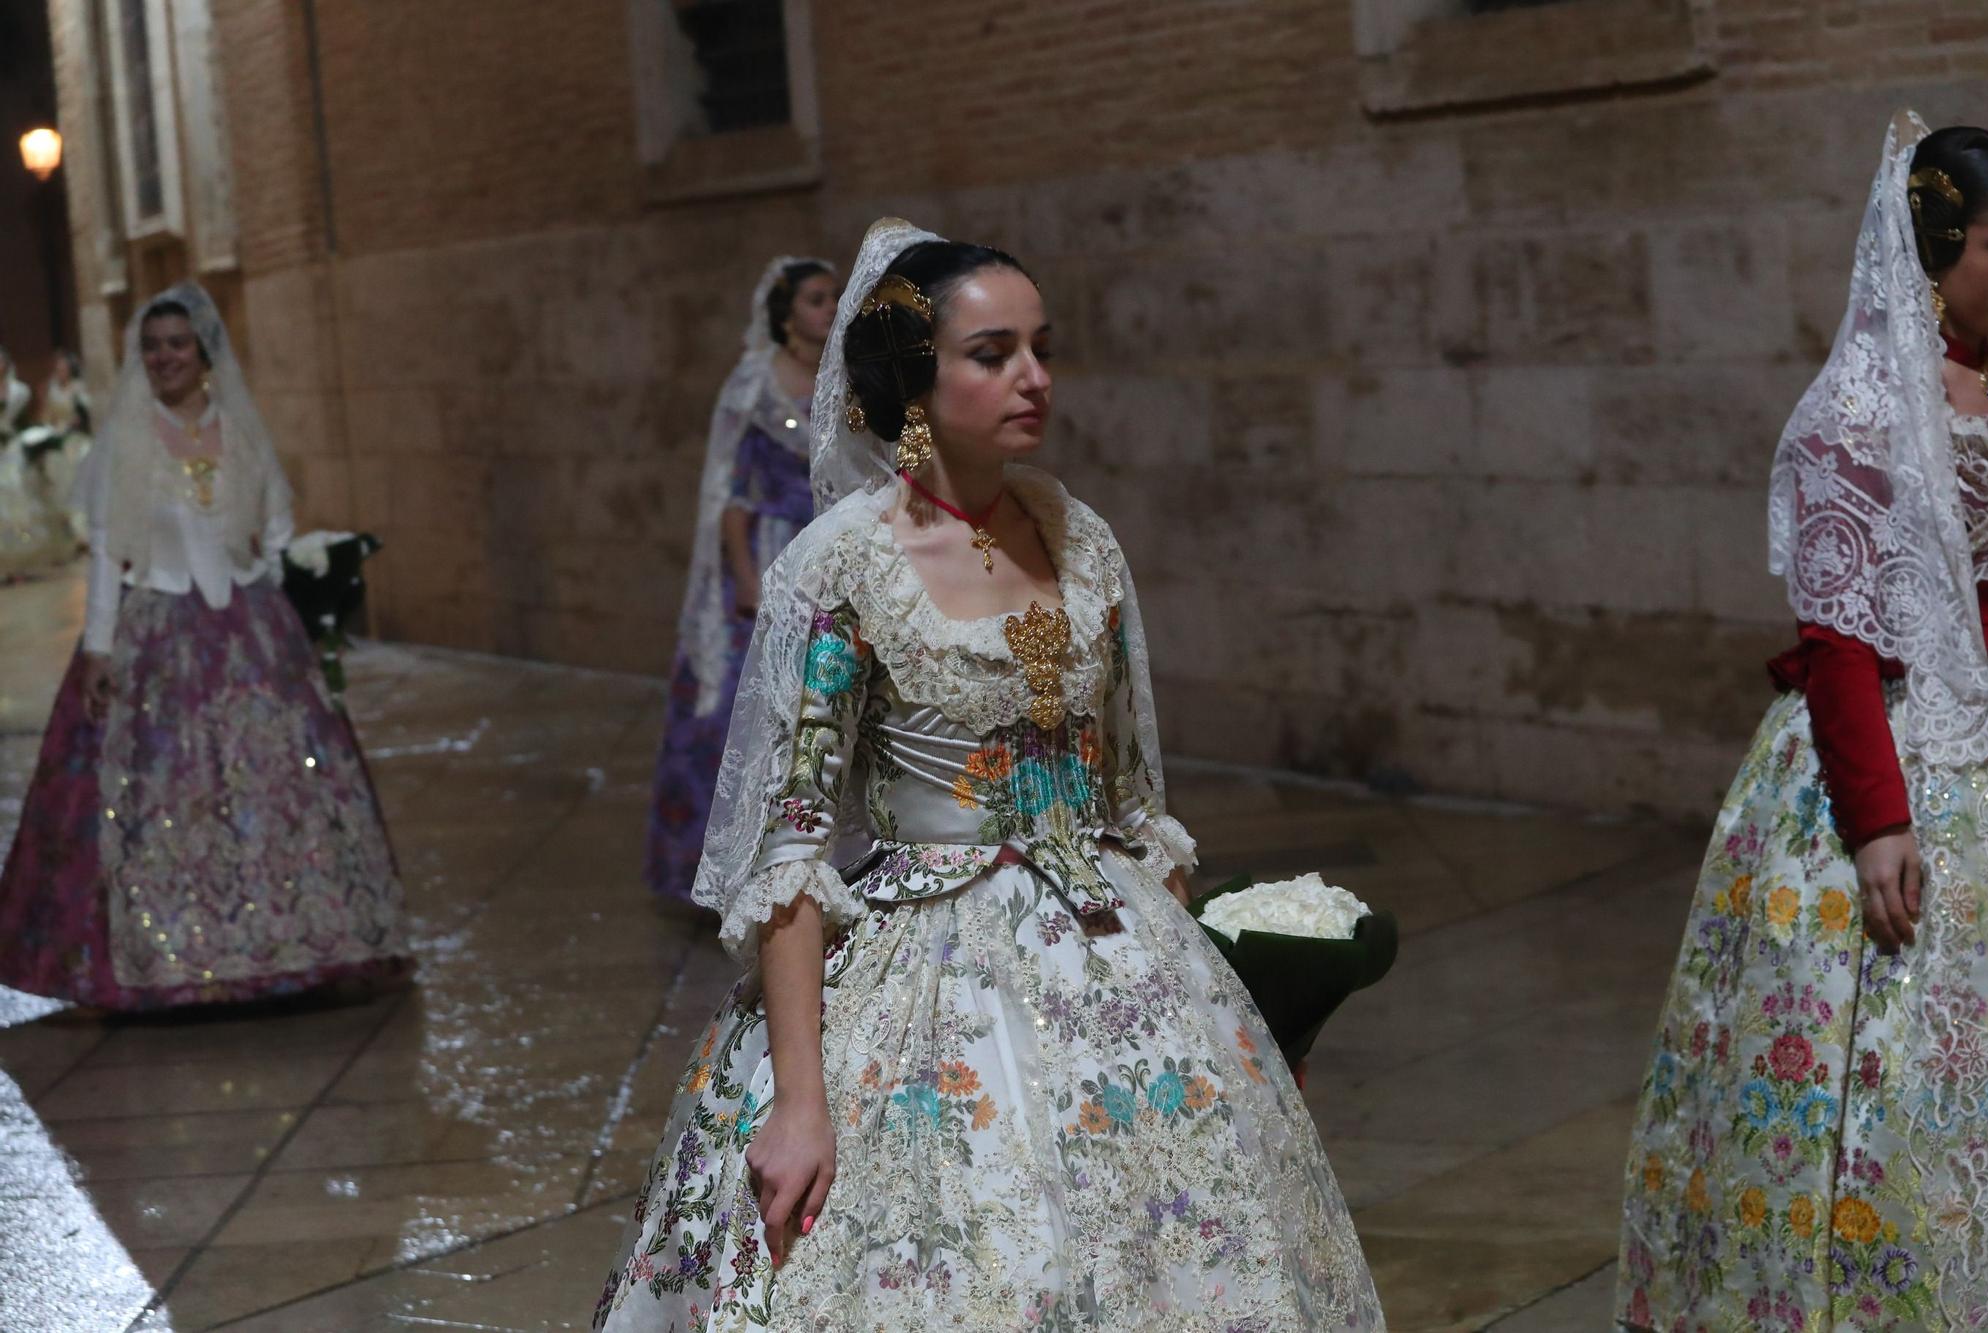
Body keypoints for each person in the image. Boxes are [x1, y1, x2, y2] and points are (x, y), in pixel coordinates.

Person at [591, 220, 1382, 1331]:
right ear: (913, 380)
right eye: (993, 352)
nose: (1034, 377)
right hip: (927, 964)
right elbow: (790, 847)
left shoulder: (1079, 536)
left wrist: (1230, 1032)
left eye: (1041, 348)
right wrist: (802, 1106)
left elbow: (1130, 805)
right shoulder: (842, 565)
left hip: (1120, 957)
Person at [1618, 115, 1988, 1328]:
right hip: (1887, 752)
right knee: (1883, 1074)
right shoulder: (1860, 410)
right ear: (1935, 254)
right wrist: (1877, 822)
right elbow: (1839, 637)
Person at [0, 283, 409, 1013]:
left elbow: (277, 524)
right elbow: (105, 553)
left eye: (177, 344)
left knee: (280, 785)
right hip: (156, 628)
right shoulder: (125, 440)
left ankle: (288, 946)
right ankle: (175, 958)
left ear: (204, 352)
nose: (164, 357)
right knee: (157, 793)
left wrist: (299, 602)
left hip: (252, 627)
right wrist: (98, 649)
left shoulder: (241, 430)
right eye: (152, 345)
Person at [647, 257, 837, 902]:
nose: (828, 308)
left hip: (831, 551)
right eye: (815, 298)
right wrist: (748, 579)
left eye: (833, 297)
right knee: (741, 715)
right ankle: (728, 874)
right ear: (786, 314)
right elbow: (731, 493)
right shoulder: (754, 384)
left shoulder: (847, 381)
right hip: (770, 555)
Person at [0, 345, 66, 578]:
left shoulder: (19, 391)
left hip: (13, 449)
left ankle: (24, 563)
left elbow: (24, 420)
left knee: (21, 494)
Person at [35, 348, 93, 544]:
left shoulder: (78, 388)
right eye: (57, 368)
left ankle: (83, 529)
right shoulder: (52, 388)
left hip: (75, 438)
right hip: (56, 437)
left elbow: (85, 415)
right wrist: (49, 427)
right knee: (52, 470)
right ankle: (65, 529)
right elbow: (46, 416)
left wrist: (74, 422)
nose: (60, 372)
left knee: (77, 465)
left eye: (64, 368)